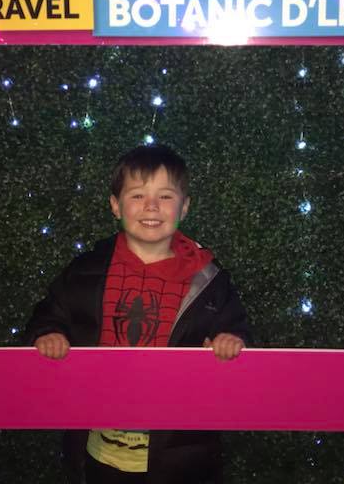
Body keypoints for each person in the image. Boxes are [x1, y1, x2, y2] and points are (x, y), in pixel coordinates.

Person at [25, 144, 252, 484]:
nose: (151, 206)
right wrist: (48, 333)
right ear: (115, 205)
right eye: (137, 196)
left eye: (165, 196)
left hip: (182, 456)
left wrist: (231, 341)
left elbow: (236, 329)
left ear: (184, 207)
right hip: (98, 451)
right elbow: (50, 313)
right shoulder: (85, 271)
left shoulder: (209, 281)